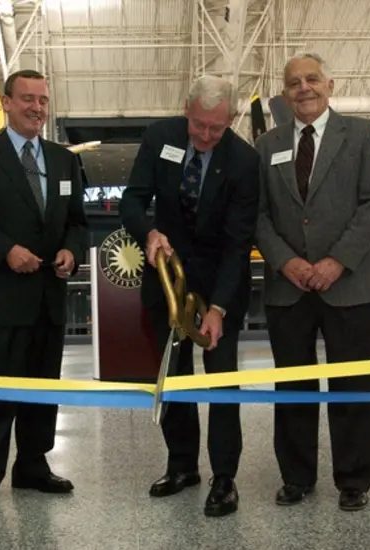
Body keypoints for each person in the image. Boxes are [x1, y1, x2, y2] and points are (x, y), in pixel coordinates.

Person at [0, 69, 89, 512]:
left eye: (43, 100)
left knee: (43, 386)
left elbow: (77, 222)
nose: (36, 107)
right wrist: (6, 250)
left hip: (49, 296)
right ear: (6, 103)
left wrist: (70, 250)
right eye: (27, 98)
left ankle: (32, 466)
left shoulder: (63, 159)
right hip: (3, 296)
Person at [253, 52, 370, 511]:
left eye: (312, 79)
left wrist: (336, 262)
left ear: (330, 84)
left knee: (351, 386)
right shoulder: (266, 145)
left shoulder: (363, 135)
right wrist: (286, 262)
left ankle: (353, 480)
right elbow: (259, 215)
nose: (304, 88)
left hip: (347, 284)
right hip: (288, 288)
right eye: (294, 82)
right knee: (293, 388)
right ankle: (296, 476)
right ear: (284, 91)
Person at [119, 75, 260, 518]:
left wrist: (217, 307)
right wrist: (150, 233)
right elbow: (132, 201)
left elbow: (239, 244)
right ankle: (182, 466)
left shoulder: (243, 161)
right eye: (198, 125)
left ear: (230, 121)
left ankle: (224, 478)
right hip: (167, 283)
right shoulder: (161, 137)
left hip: (221, 287)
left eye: (215, 129)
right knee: (174, 378)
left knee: (221, 384)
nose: (204, 136)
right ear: (186, 110)